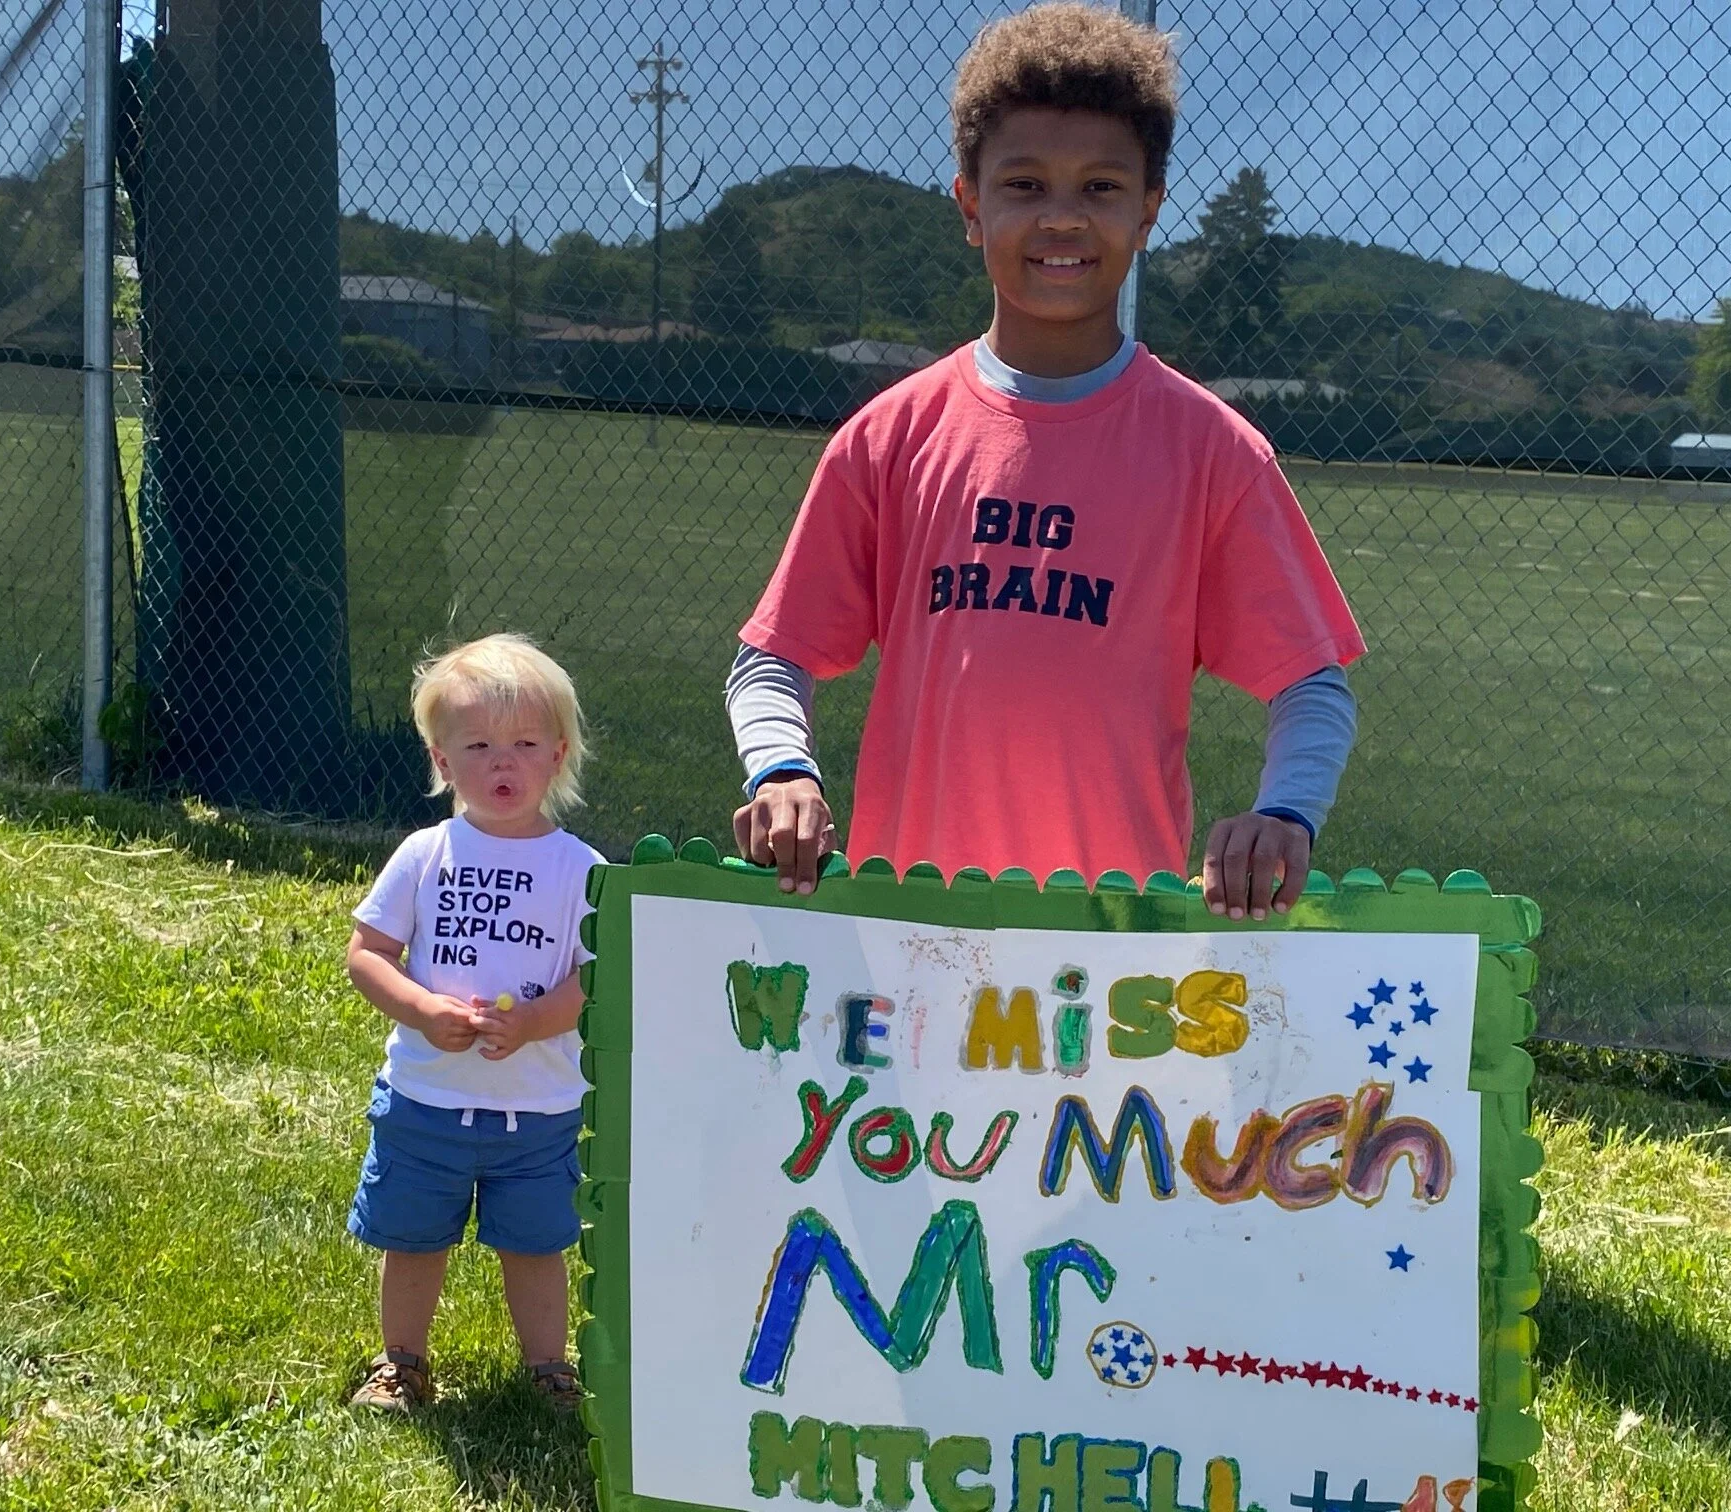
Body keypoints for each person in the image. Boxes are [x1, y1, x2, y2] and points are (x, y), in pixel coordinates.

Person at [727, 3, 1363, 916]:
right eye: (1025, 185)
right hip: (905, 936)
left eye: (1101, 189)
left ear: (1149, 211)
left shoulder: (1213, 452)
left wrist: (1284, 816)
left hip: (1109, 962)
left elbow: (1313, 685)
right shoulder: (888, 437)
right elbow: (770, 660)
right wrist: (782, 771)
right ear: (970, 206)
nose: (1062, 219)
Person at [342, 633, 602, 1414]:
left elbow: (592, 977)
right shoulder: (427, 853)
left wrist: (533, 1025)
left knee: (536, 1242)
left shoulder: (581, 867)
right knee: (414, 1237)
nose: (503, 764)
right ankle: (403, 1364)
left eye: (524, 744)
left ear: (557, 757)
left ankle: (549, 1368)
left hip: (540, 1104)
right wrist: (421, 1010)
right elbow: (368, 954)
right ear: (442, 760)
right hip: (427, 1097)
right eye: (479, 745)